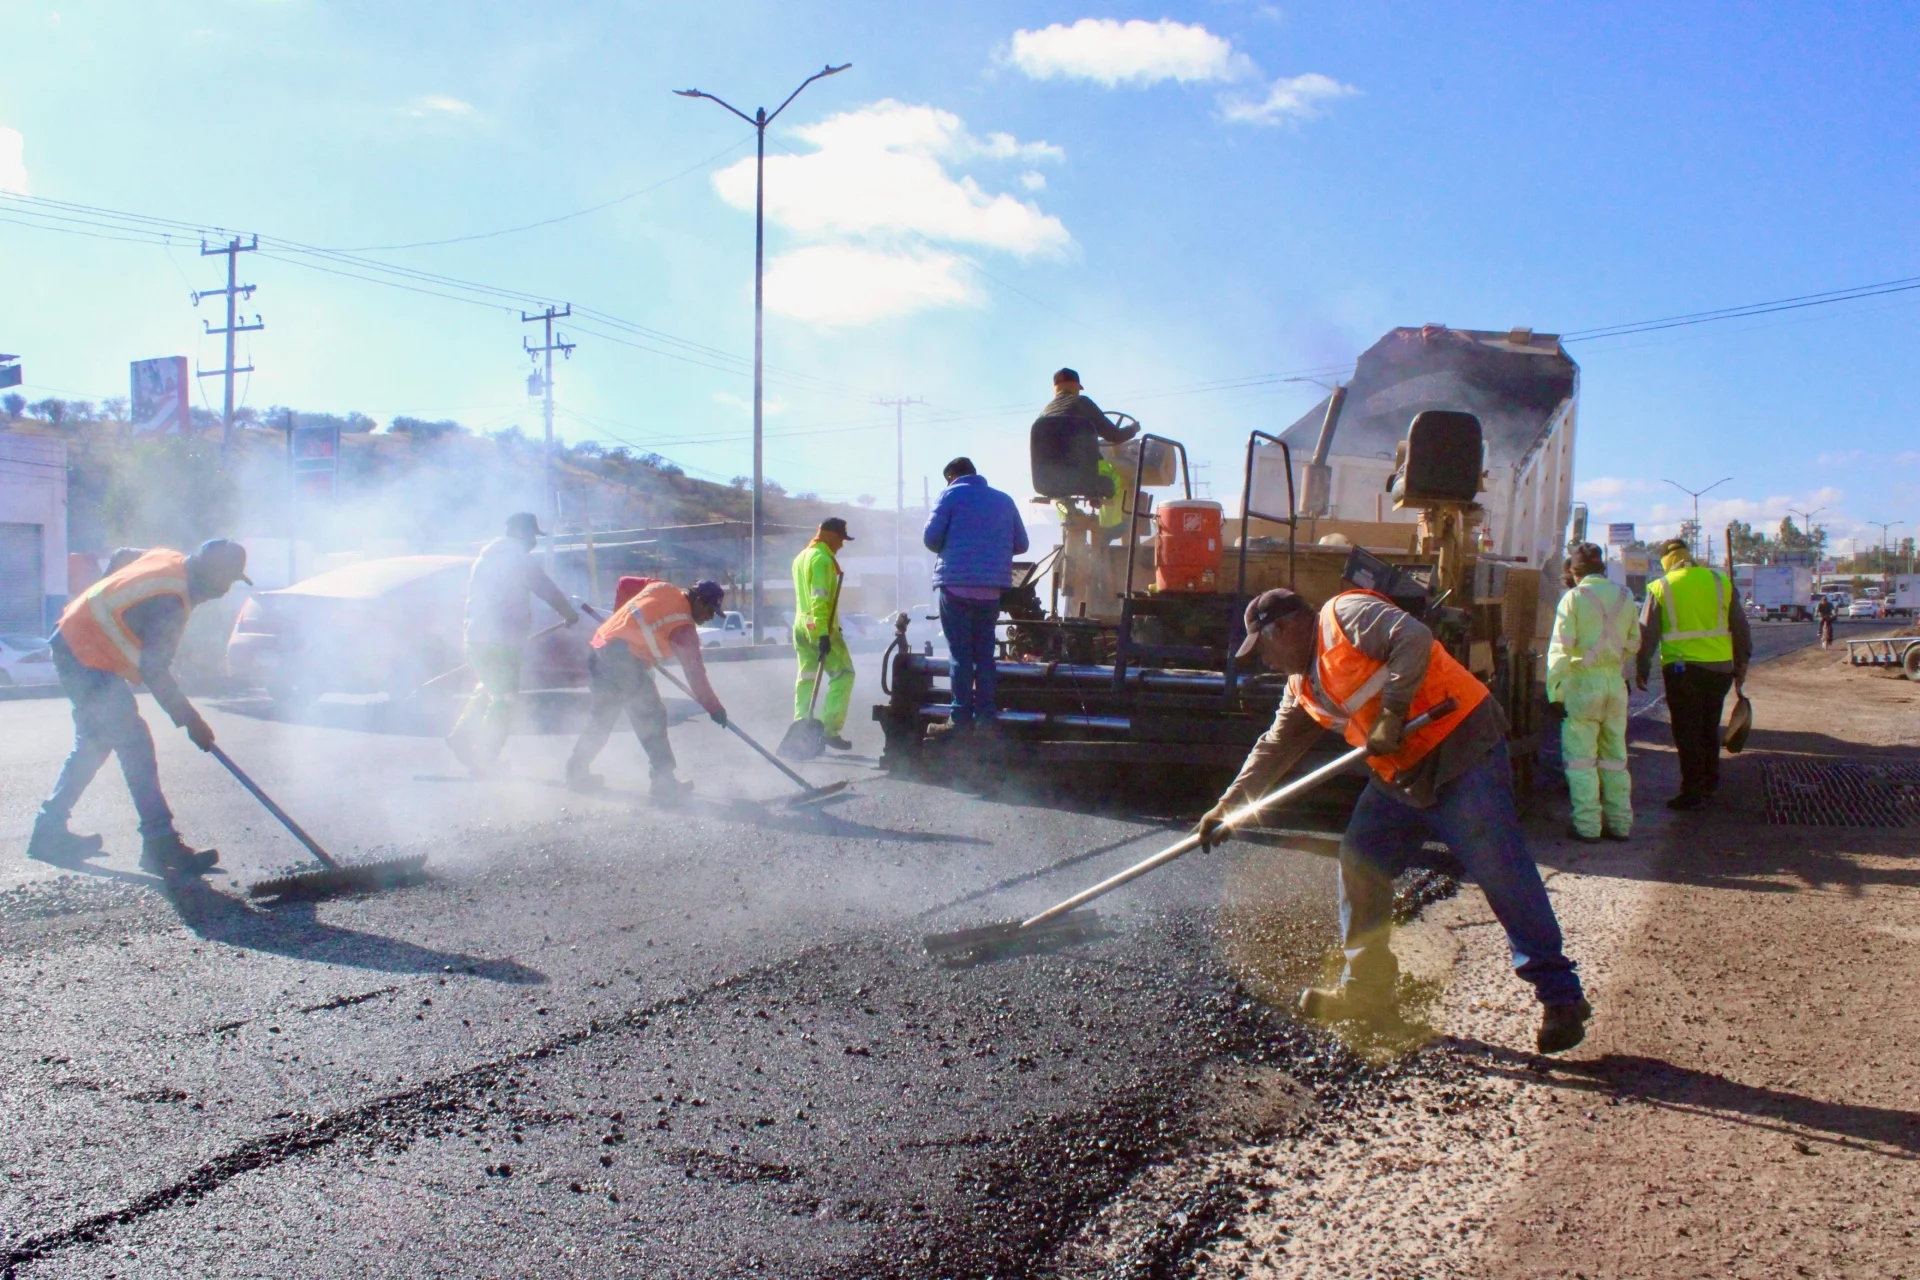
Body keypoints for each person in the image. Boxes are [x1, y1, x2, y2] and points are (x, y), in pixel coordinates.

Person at [1194, 588, 1590, 1054]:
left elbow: (1414, 638)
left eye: (1263, 647)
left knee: (1500, 869)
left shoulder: (1345, 615)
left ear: (1283, 628)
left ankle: (1561, 997)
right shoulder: (1302, 685)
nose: (1265, 659)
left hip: (1460, 748)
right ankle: (1367, 991)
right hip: (1403, 773)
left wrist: (1392, 713)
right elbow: (1275, 747)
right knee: (1360, 860)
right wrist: (1229, 807)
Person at [28, 540, 253, 875]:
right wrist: (190, 720)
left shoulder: (168, 558)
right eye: (227, 580)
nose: (225, 591)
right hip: (85, 655)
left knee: (95, 742)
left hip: (73, 642)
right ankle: (159, 844)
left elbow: (121, 555)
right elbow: (153, 670)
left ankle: (48, 832)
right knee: (135, 742)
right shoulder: (172, 601)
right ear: (211, 572)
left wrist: (98, 604)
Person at [566, 578, 727, 800]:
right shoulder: (684, 629)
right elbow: (695, 674)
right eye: (710, 610)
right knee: (652, 716)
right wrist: (714, 707)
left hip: (600, 648)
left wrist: (620, 623)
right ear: (698, 601)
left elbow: (624, 584)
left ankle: (576, 770)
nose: (709, 617)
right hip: (623, 659)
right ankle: (663, 782)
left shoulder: (661, 586)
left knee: (602, 717)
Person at [447, 512, 580, 775]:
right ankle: (486, 757)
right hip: (501, 642)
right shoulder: (517, 558)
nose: (534, 541)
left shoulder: (486, 558)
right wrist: (569, 613)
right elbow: (545, 588)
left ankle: (461, 736)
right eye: (533, 535)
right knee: (504, 700)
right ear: (522, 533)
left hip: (476, 638)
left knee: (490, 688)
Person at [1635, 539, 1751, 810]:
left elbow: (1646, 635)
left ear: (1666, 560)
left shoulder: (1661, 587)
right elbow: (1741, 628)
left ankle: (1692, 790)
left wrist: (1642, 669)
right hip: (1720, 670)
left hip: (1682, 671)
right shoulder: (1720, 581)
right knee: (1709, 727)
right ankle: (1710, 781)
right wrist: (1741, 666)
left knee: (1687, 731)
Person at [924, 457, 1029, 733]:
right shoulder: (1004, 500)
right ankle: (985, 717)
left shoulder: (950, 494)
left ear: (951, 476)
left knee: (960, 655)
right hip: (991, 591)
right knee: (984, 655)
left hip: (956, 587)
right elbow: (1022, 544)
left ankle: (959, 718)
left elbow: (931, 539)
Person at [1547, 543, 1641, 843]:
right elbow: (1634, 642)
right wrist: (1612, 662)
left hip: (1582, 686)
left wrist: (1556, 693)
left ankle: (1587, 827)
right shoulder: (1626, 597)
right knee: (1615, 757)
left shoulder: (1573, 599)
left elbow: (1560, 650)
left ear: (1574, 572)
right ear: (1602, 568)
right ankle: (1620, 824)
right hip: (1614, 684)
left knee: (1581, 760)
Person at [791, 518, 857, 751]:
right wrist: (823, 634)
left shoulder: (801, 557)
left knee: (807, 676)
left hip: (800, 625)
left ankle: (801, 726)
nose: (841, 544)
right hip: (818, 626)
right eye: (841, 538)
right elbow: (819, 597)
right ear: (830, 535)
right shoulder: (822, 559)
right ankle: (829, 730)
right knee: (844, 674)